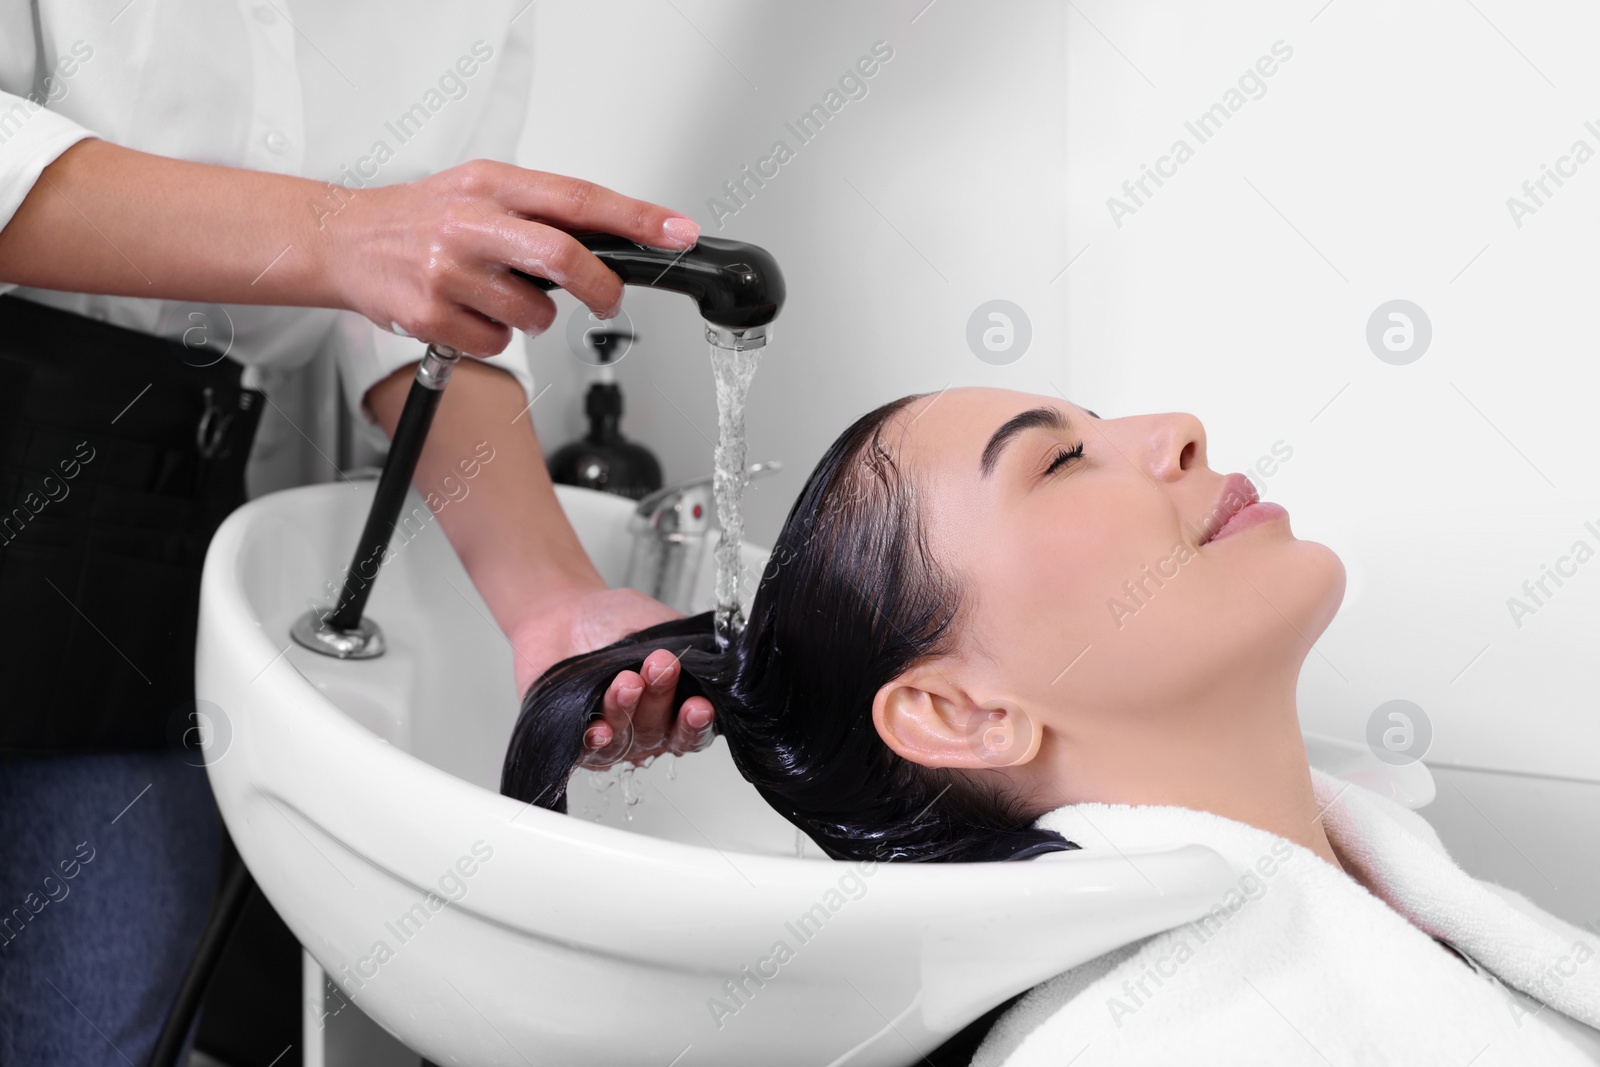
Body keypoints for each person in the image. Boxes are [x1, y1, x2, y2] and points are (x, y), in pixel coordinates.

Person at [0, 5, 708, 1063]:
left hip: (137, 508)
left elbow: (413, 304)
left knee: (103, 1020)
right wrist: (339, 230)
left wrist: (552, 594)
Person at [504, 388, 1600, 1062]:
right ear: (960, 710)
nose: (1177, 429)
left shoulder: (1411, 909)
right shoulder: (1141, 1042)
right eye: (1062, 458)